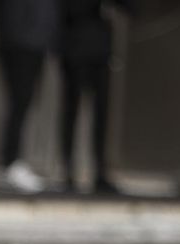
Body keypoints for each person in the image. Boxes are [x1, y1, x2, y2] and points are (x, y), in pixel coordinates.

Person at [0, 0, 59, 193]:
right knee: (20, 100)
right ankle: (11, 162)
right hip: (20, 36)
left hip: (32, 37)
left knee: (24, 101)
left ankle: (13, 162)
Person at [57, 0, 129, 194]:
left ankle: (100, 171)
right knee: (72, 110)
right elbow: (67, 9)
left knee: (102, 114)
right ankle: (67, 170)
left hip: (101, 52)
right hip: (74, 49)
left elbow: (131, 8)